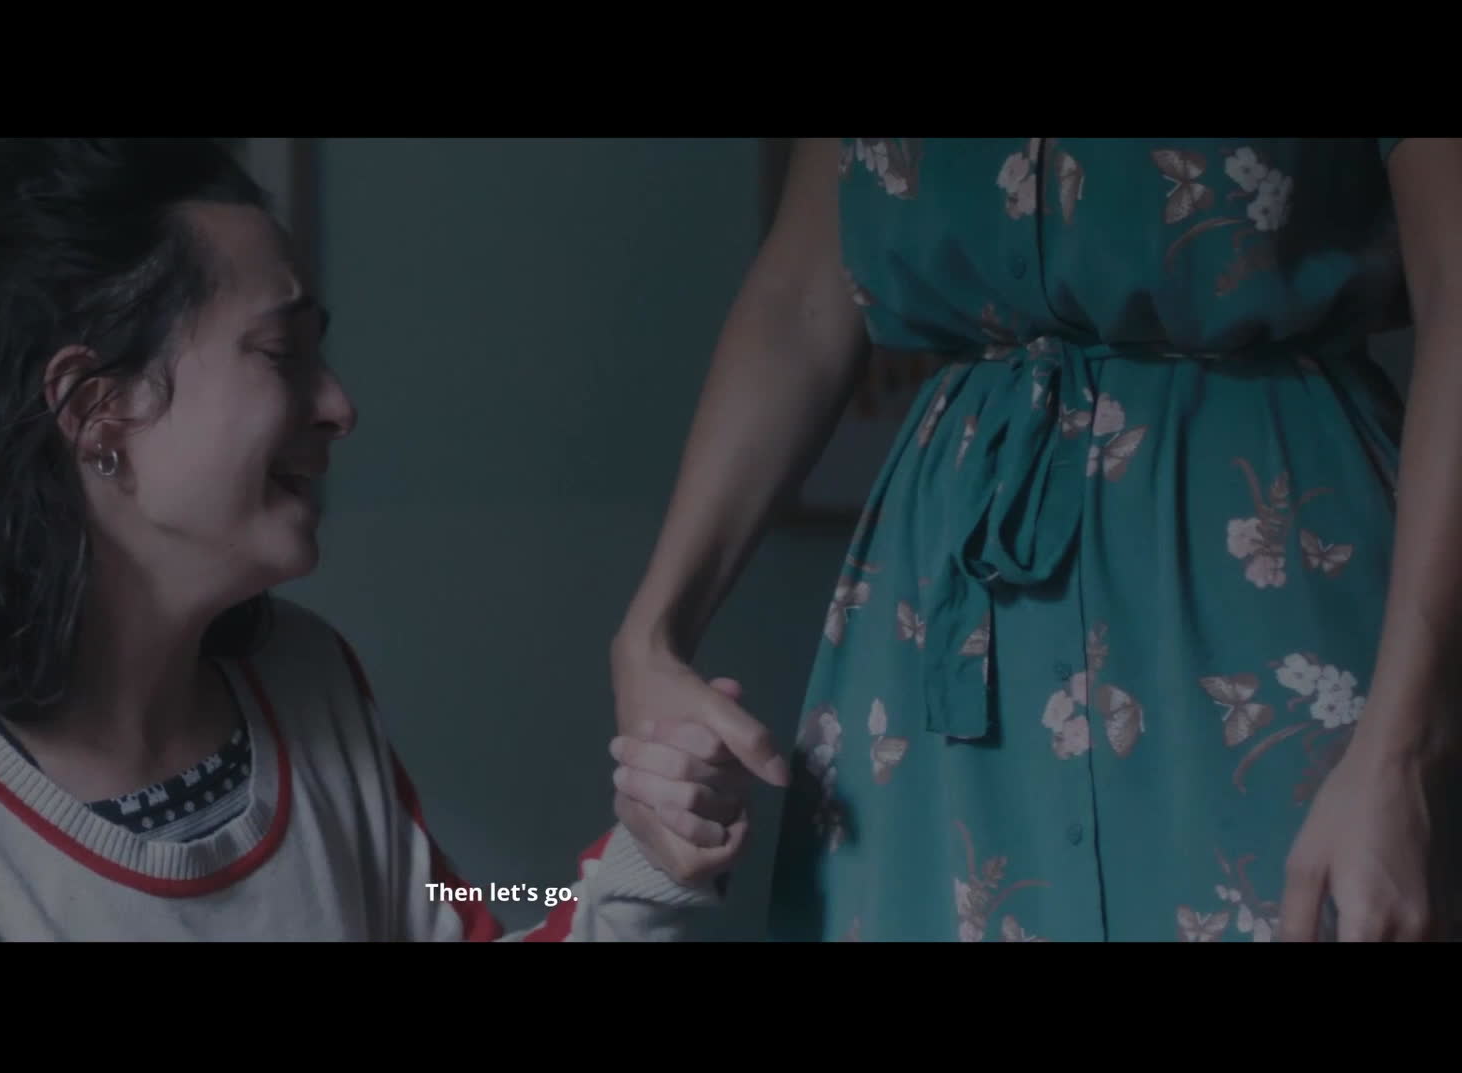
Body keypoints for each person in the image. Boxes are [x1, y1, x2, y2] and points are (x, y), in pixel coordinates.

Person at [0, 138, 747, 942]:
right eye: (281, 353)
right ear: (96, 411)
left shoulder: (313, 684)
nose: (339, 406)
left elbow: (463, 917)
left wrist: (648, 859)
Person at [609, 138, 1462, 941]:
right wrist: (650, 634)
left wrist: (1400, 750)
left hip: (1269, 576)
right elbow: (800, 296)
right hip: (940, 620)